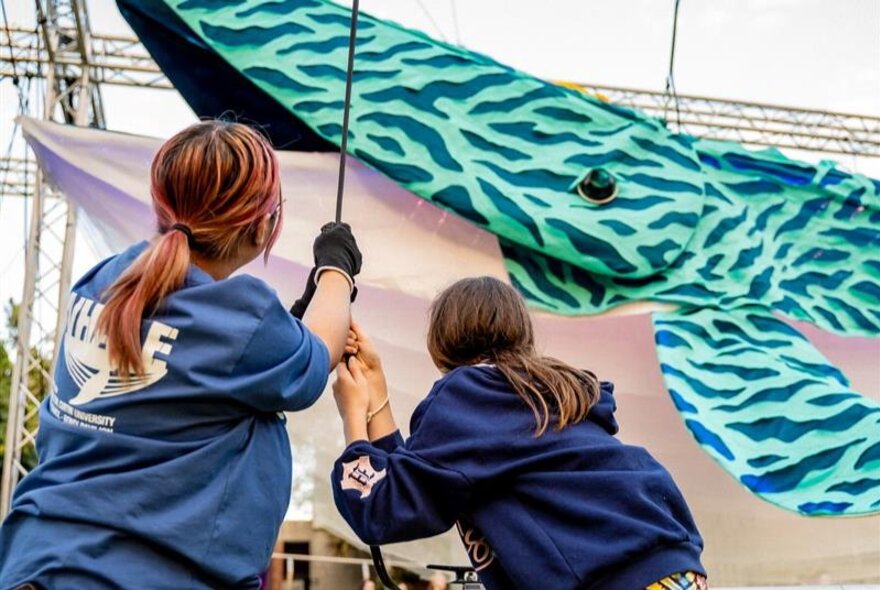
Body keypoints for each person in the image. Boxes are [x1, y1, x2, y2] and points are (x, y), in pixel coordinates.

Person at [0, 121, 362, 590]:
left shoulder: (102, 281)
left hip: (37, 559)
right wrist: (338, 267)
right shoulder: (241, 314)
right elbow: (320, 354)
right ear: (261, 223)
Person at [331, 277, 707, 590]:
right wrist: (377, 396)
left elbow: (383, 508)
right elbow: (415, 483)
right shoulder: (548, 394)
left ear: (442, 343)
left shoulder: (468, 396)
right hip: (672, 567)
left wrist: (353, 415)